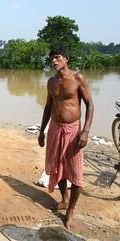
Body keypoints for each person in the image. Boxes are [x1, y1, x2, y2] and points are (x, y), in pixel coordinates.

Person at [38, 47, 94, 230]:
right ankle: (64, 199)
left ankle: (70, 212)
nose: (53, 61)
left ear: (66, 59)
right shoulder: (51, 82)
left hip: (73, 130)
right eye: (51, 58)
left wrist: (85, 131)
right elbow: (48, 107)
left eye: (57, 57)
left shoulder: (78, 78)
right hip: (54, 128)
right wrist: (41, 131)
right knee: (57, 166)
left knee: (76, 172)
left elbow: (90, 105)